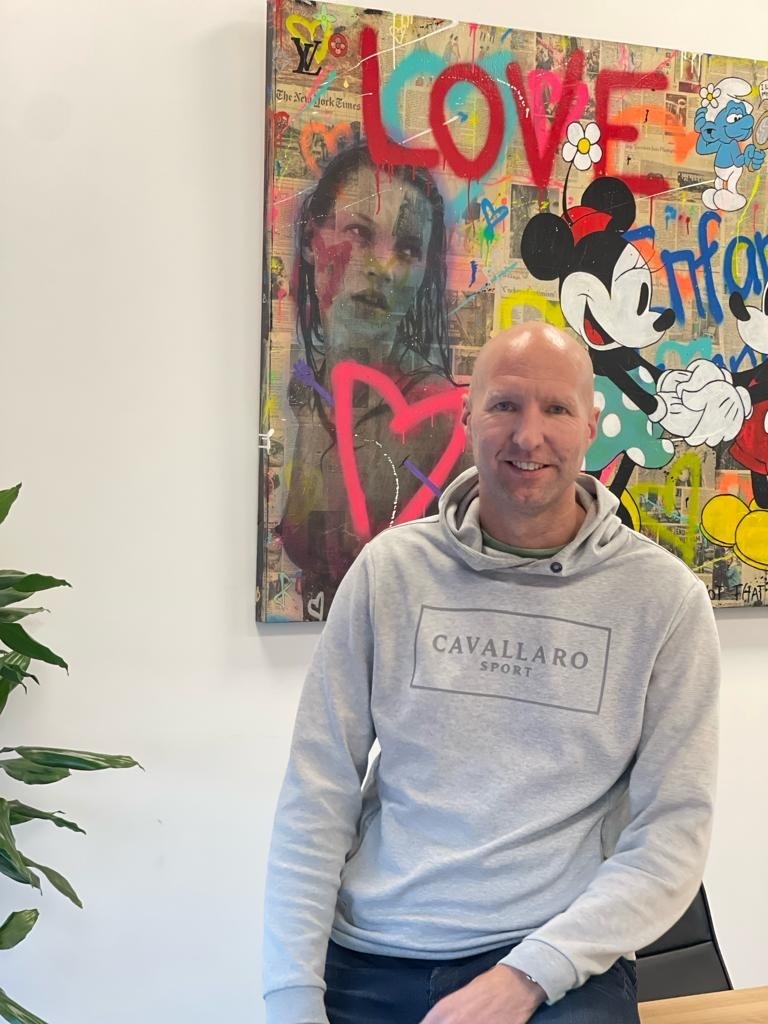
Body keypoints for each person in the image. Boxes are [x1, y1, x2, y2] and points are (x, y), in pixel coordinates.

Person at [263, 322, 720, 1024]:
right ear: (467, 416)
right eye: (505, 405)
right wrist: (292, 997)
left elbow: (672, 835)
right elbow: (316, 794)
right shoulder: (390, 573)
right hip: (372, 953)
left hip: (554, 964)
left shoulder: (663, 601)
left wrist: (527, 976)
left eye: (556, 409)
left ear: (590, 425)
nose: (528, 435)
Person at [279, 142, 465, 617]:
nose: (383, 267)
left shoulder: (438, 417)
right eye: (360, 233)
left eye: (407, 249)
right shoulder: (299, 393)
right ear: (313, 239)